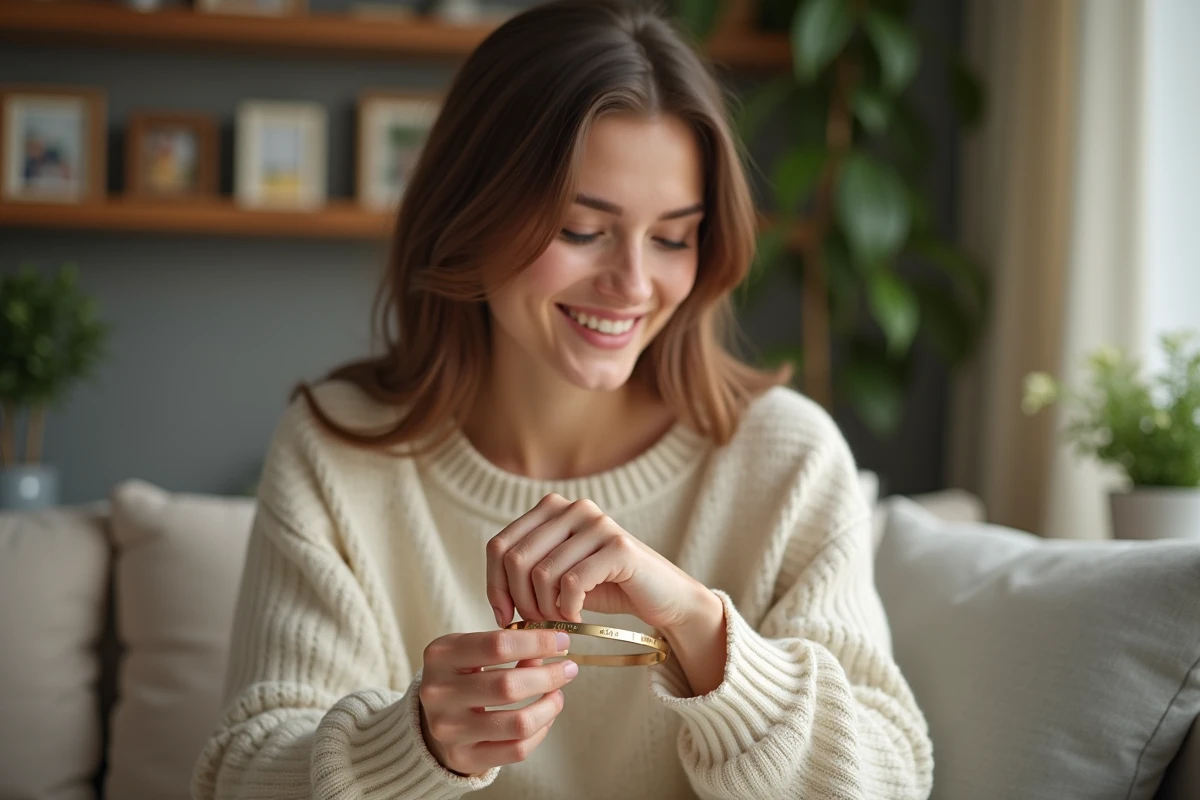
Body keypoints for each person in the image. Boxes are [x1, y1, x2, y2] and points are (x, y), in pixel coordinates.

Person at [190, 1, 933, 798]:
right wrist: (415, 746)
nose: (635, 285)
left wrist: (701, 631)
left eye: (674, 236)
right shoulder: (338, 450)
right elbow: (241, 773)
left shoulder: (786, 457)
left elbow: (889, 780)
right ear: (471, 216)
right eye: (583, 230)